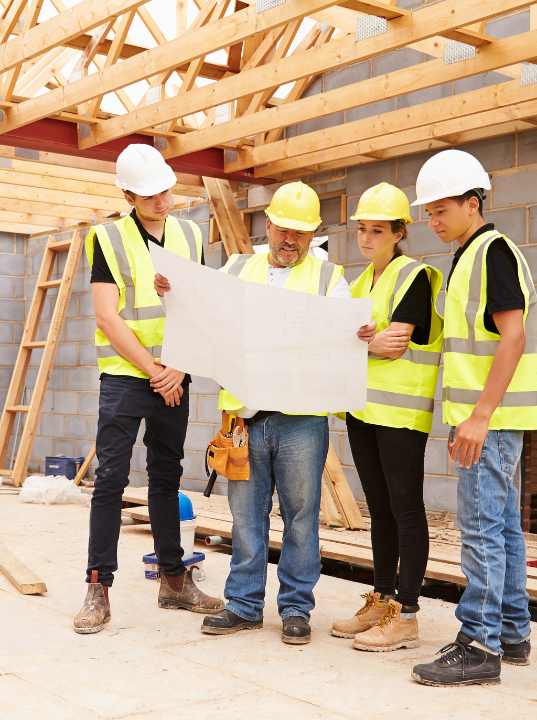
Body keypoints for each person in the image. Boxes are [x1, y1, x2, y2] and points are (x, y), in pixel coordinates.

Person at [158, 181, 358, 645]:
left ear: (313, 236)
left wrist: (360, 332)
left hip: (300, 419)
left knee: (301, 515)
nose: (291, 241)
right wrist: (173, 293)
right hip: (243, 418)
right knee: (246, 517)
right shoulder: (236, 267)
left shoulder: (330, 279)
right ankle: (245, 605)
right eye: (284, 229)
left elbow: (346, 332)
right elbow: (202, 316)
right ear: (267, 225)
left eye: (302, 234)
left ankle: (295, 610)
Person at [407, 150, 537, 685]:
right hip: (488, 418)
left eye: (441, 209)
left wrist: (479, 416)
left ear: (474, 203)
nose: (433, 220)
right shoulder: (470, 254)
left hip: (488, 420)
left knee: (481, 530)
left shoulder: (491, 252)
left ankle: (479, 645)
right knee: (501, 528)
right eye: (429, 212)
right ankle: (512, 633)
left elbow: (511, 336)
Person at [73, 144, 224, 634]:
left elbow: (199, 306)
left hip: (173, 375)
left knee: (166, 477)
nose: (163, 199)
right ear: (127, 195)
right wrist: (154, 368)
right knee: (112, 480)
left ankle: (174, 582)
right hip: (126, 375)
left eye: (166, 188)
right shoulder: (107, 238)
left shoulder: (189, 233)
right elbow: (106, 315)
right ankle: (99, 587)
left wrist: (176, 368)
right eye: (150, 194)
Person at [329, 182, 443, 652]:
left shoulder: (414, 276)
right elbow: (344, 342)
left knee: (406, 509)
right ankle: (381, 598)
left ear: (399, 233)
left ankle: (408, 615)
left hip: (401, 414)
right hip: (363, 410)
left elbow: (395, 344)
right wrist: (362, 341)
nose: (367, 238)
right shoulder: (359, 284)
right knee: (379, 510)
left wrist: (360, 341)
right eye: (362, 229)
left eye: (378, 230)